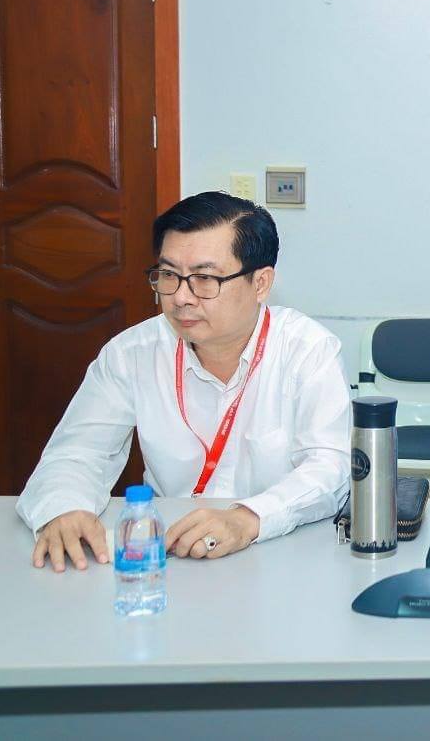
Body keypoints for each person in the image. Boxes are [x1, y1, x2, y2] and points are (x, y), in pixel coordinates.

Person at [18, 192, 352, 571]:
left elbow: (330, 467)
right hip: (170, 557)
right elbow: (77, 453)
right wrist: (66, 509)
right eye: (169, 275)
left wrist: (247, 518)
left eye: (204, 279)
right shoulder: (132, 353)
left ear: (260, 283)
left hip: (283, 556)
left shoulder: (308, 351)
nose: (180, 298)